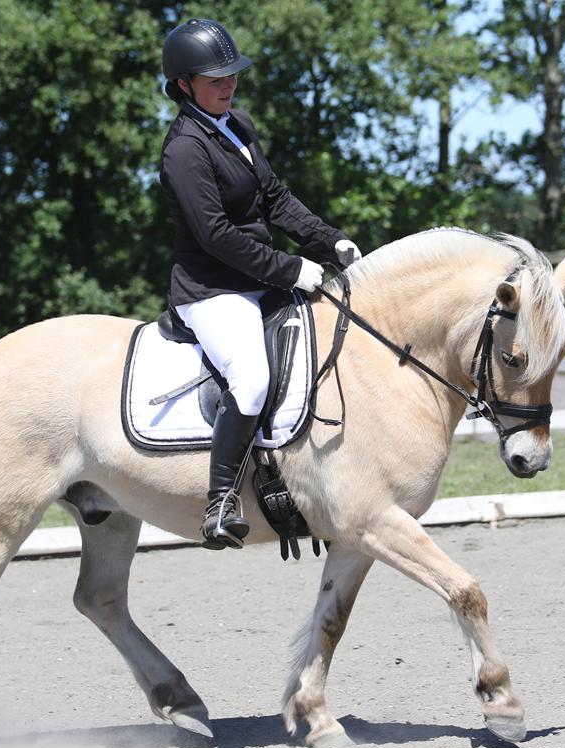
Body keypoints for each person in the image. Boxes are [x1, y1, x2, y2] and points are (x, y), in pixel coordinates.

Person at [159, 18, 363, 550]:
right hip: (213, 289)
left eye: (231, 76)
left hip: (260, 279)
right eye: (214, 78)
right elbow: (216, 236)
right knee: (250, 378)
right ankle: (221, 499)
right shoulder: (184, 149)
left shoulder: (237, 125)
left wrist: (330, 241)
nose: (228, 85)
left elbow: (275, 200)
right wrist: (290, 268)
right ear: (184, 85)